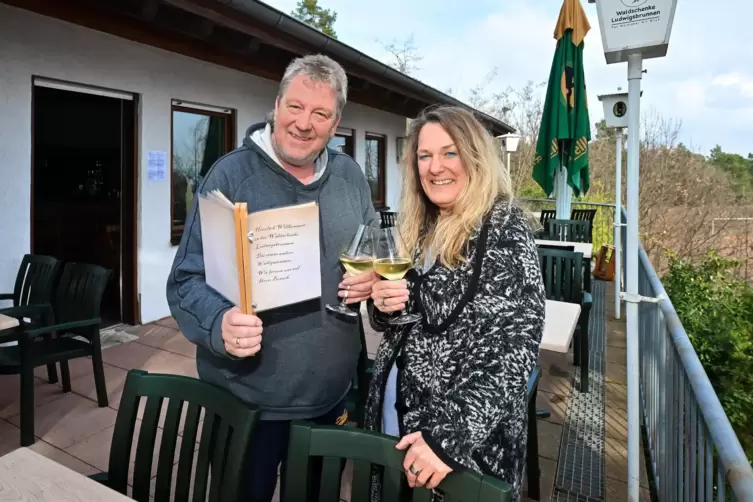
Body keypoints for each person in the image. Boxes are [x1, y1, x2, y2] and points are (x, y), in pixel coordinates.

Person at [166, 54, 379, 502]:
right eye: (295, 107)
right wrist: (218, 323)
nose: (304, 123)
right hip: (247, 400)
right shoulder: (230, 175)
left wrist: (373, 274)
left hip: (331, 396)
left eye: (320, 113)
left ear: (335, 122)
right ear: (277, 106)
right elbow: (185, 281)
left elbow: (373, 245)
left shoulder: (351, 176)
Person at [363, 105, 545, 501]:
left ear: (475, 157)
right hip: (399, 422)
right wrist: (385, 304)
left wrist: (447, 438)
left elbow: (513, 348)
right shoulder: (423, 224)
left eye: (449, 153)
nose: (434, 167)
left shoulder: (503, 226)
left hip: (459, 453)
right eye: (424, 156)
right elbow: (412, 314)